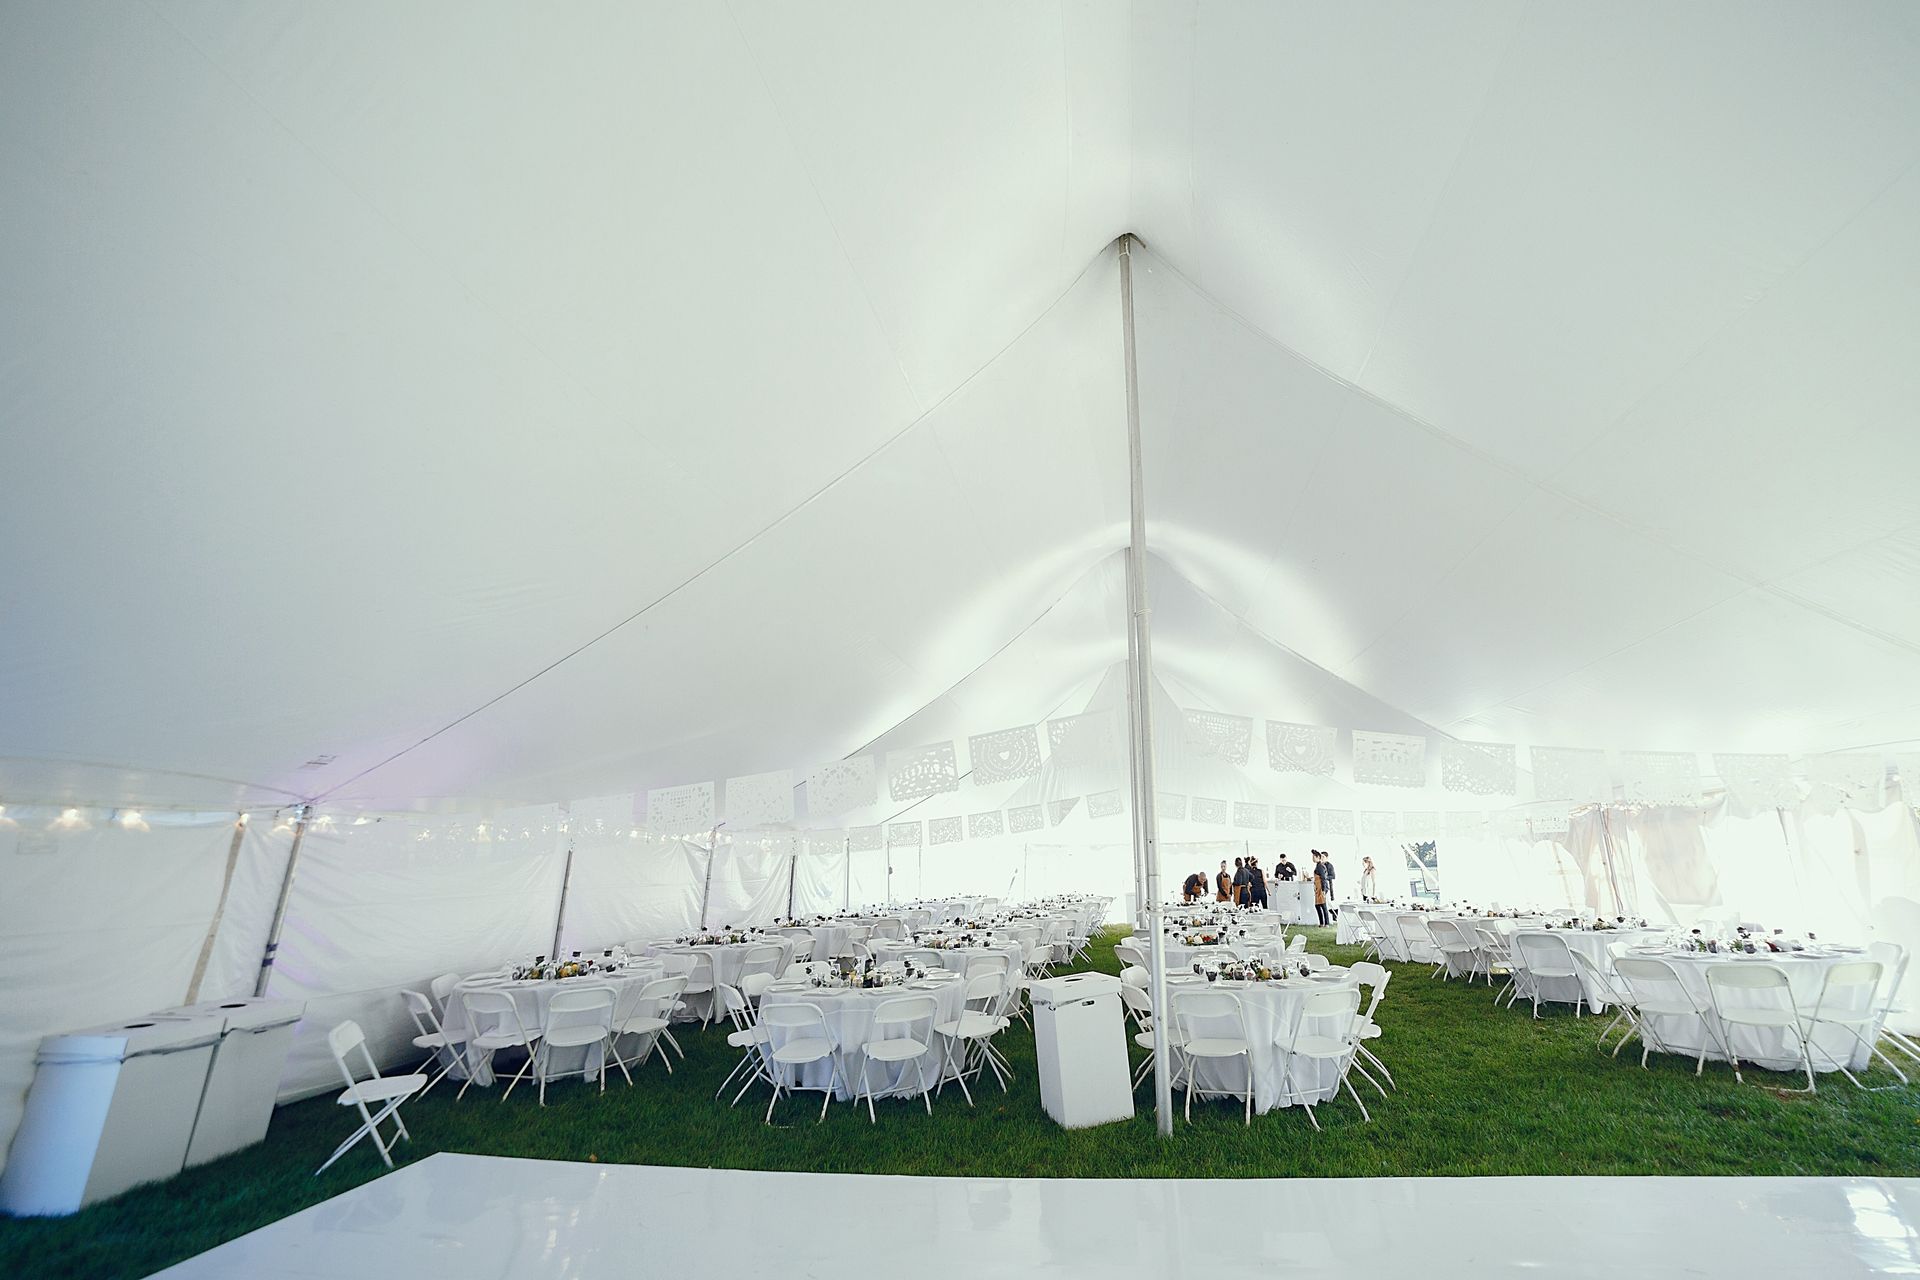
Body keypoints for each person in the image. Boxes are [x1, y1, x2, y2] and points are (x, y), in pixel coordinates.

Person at [1313, 851, 1336, 926]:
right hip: (1318, 888)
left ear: (1317, 857)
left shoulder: (1321, 866)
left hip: (1321, 888)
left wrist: (1323, 890)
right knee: (1318, 905)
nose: (1312, 858)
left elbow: (1323, 878)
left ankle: (1326, 923)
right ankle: (1322, 923)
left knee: (1323, 905)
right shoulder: (1318, 865)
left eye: (1314, 857)